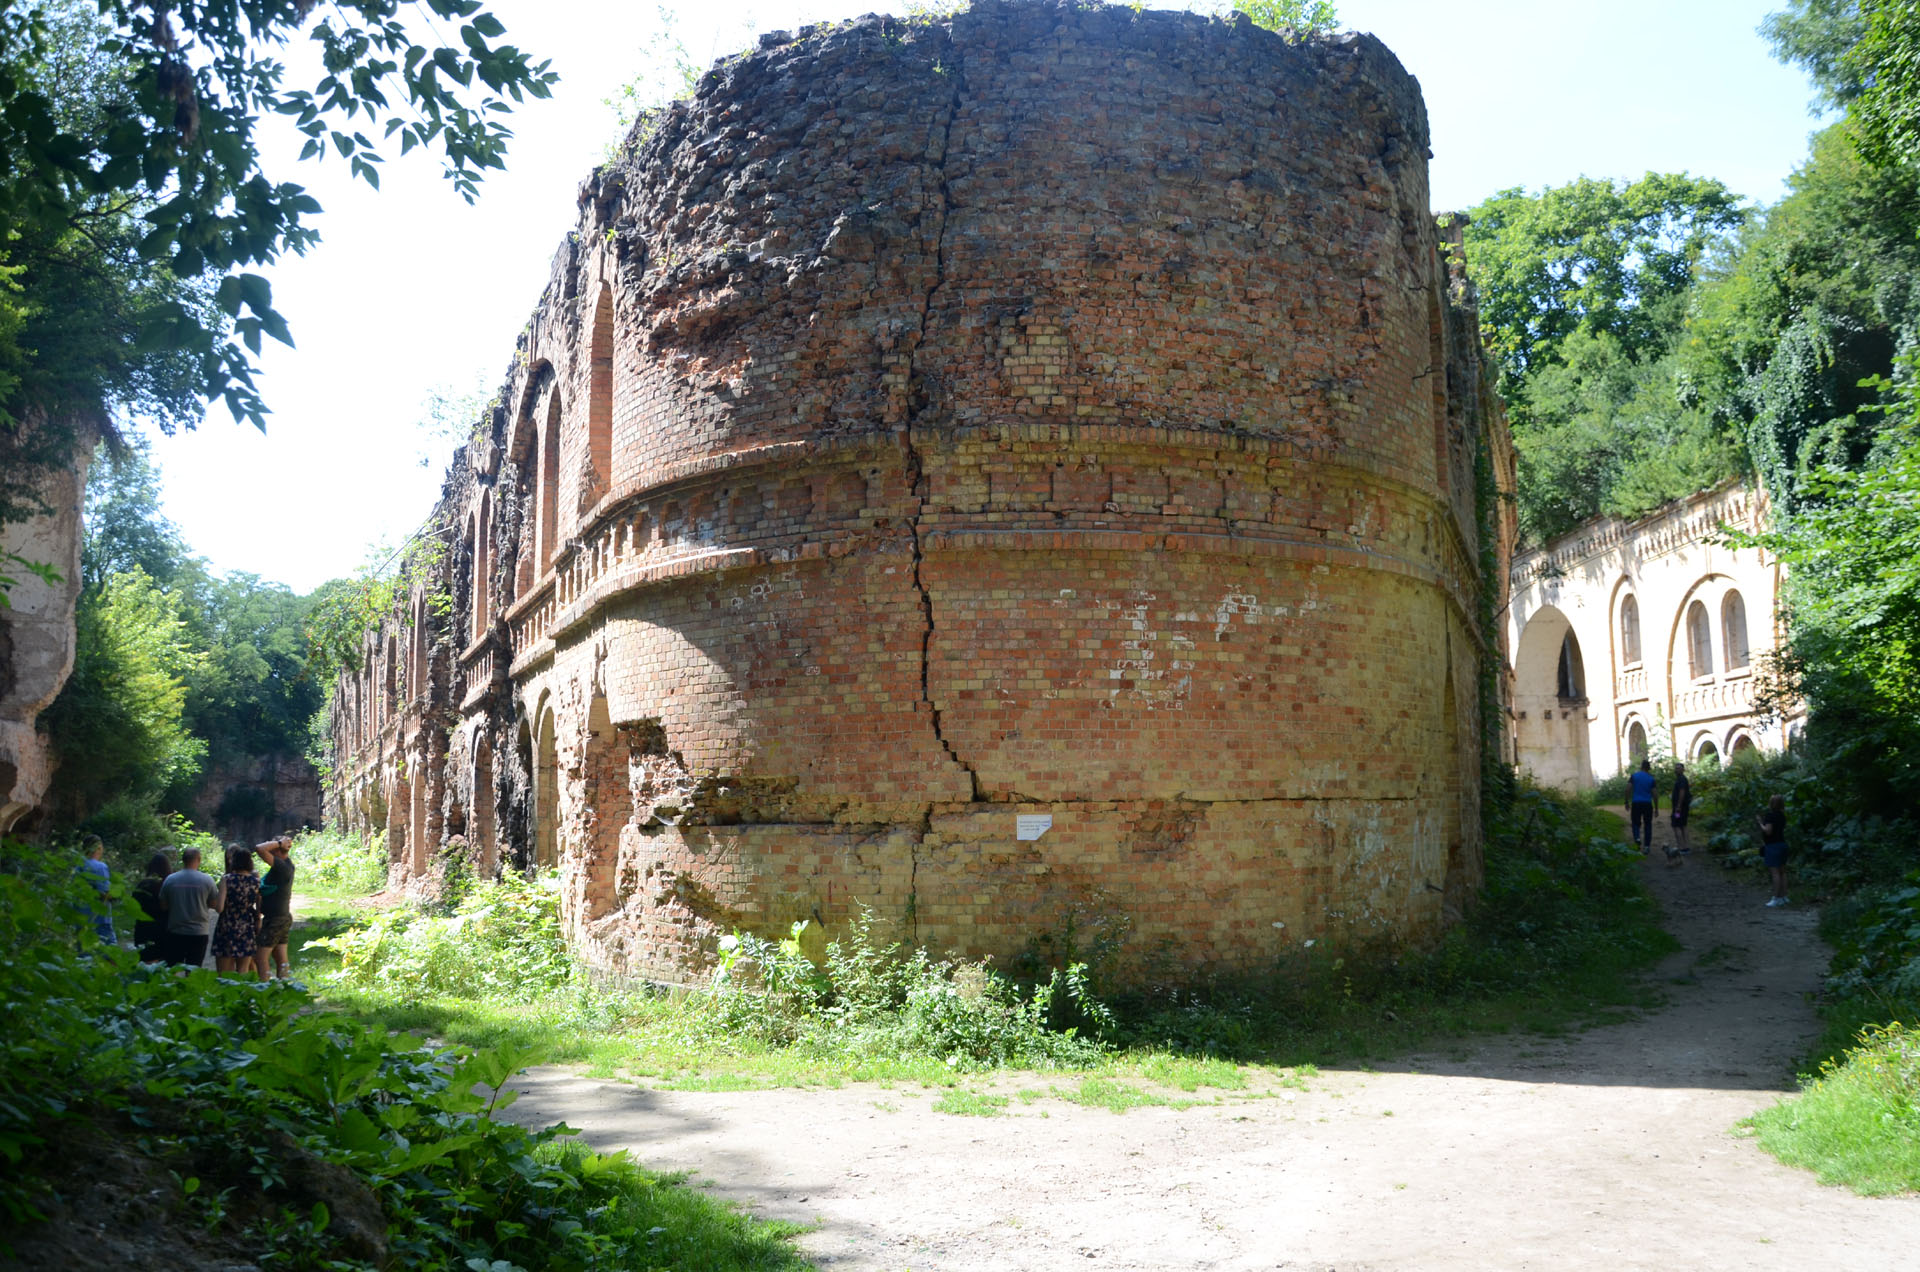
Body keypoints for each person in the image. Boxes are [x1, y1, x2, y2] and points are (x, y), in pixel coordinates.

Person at [158, 846, 224, 968]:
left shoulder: (170, 879)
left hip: (175, 931)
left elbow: (163, 906)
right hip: (199, 932)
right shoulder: (207, 880)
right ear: (199, 860)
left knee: (172, 969)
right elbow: (214, 904)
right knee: (194, 970)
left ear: (183, 860)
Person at [212, 844, 263, 979]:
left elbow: (219, 908)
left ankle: (227, 997)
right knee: (243, 970)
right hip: (246, 925)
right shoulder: (256, 882)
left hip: (227, 926)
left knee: (224, 973)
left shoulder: (227, 879)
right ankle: (243, 997)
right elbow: (259, 910)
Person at [254, 835, 296, 980]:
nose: (269, 852)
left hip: (275, 919)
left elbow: (259, 849)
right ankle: (285, 987)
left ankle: (264, 989)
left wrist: (279, 843)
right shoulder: (286, 865)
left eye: (272, 848)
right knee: (280, 957)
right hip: (282, 917)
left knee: (260, 958)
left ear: (277, 850)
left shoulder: (282, 866)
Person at [131, 851, 172, 961]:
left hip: (143, 929)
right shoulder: (168, 885)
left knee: (145, 963)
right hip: (164, 929)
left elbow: (134, 905)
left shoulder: (142, 885)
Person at [76, 835, 114, 945]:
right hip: (99, 918)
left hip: (80, 916)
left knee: (83, 952)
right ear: (99, 847)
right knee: (110, 952)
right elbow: (106, 894)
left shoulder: (77, 866)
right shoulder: (100, 867)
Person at [1757, 794, 1790, 907]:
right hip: (1782, 844)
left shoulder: (1770, 816)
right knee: (1783, 872)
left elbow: (1768, 831)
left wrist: (1760, 823)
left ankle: (1775, 898)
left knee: (1775, 873)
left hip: (1773, 846)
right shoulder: (1782, 816)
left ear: (1771, 804)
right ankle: (1784, 897)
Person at [1625, 759, 1659, 854]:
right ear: (1649, 768)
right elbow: (1655, 794)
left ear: (1641, 767)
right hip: (1647, 804)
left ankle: (1637, 839)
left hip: (1636, 803)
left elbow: (1627, 789)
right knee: (1648, 824)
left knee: (1635, 823)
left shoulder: (1634, 776)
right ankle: (1647, 846)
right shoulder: (1651, 779)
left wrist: (1626, 801)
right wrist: (1656, 808)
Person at [1667, 763, 1693, 865]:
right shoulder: (1681, 779)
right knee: (1682, 825)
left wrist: (1678, 806)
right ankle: (1686, 847)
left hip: (1679, 809)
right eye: (1676, 768)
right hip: (1681, 808)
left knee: (1676, 825)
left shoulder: (1681, 779)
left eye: (1678, 768)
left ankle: (1682, 847)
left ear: (1683, 769)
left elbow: (1682, 792)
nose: (1676, 770)